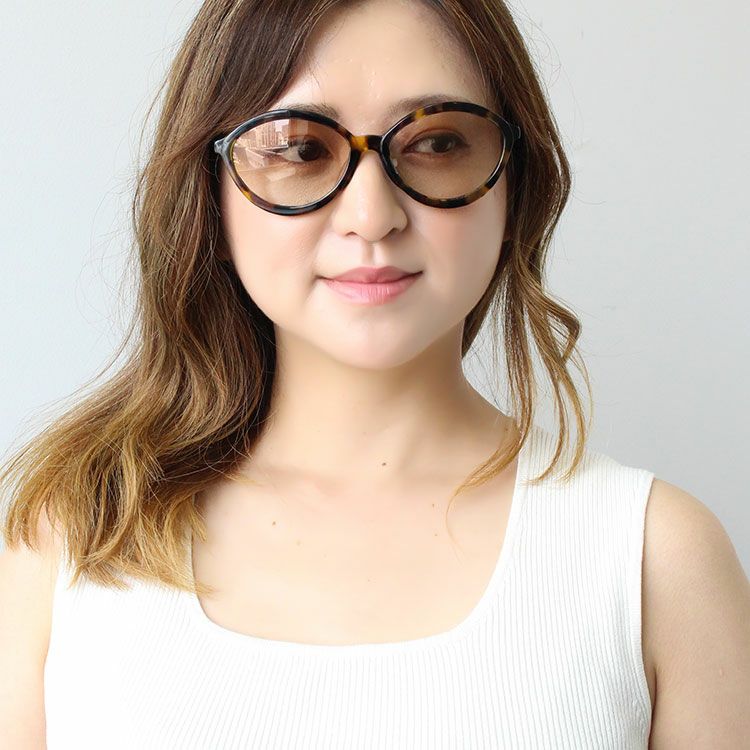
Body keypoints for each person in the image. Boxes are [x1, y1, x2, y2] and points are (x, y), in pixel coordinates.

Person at [2, 0, 749, 747]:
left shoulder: (655, 558)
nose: (371, 215)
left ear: (514, 187)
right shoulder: (72, 540)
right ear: (211, 198)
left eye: (437, 142)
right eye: (299, 148)